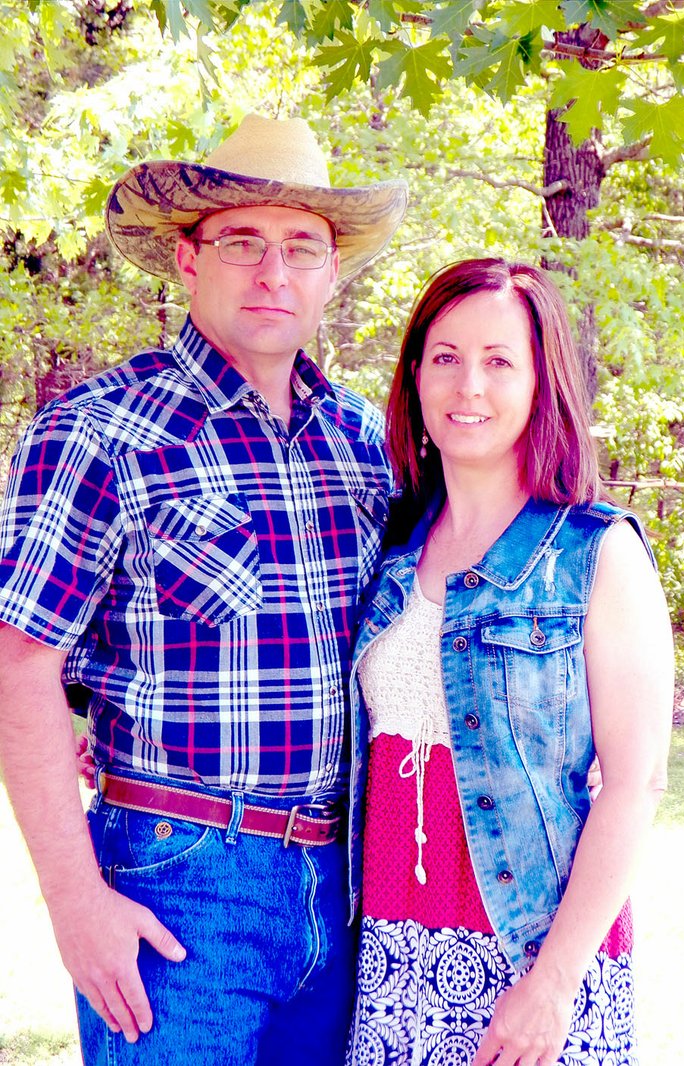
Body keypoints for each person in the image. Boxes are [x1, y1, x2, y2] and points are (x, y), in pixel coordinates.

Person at [0, 115, 407, 1066]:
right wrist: (74, 903)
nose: (274, 272)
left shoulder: (360, 440)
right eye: (242, 243)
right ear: (188, 261)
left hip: (348, 881)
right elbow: (20, 666)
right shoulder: (100, 431)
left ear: (331, 273)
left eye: (302, 247)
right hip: (179, 879)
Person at [346, 258, 674, 1066]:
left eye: (500, 362)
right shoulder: (391, 553)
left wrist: (554, 983)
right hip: (388, 953)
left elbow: (637, 782)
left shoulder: (597, 553)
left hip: (531, 956)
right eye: (447, 357)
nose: (470, 387)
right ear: (415, 374)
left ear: (541, 383)